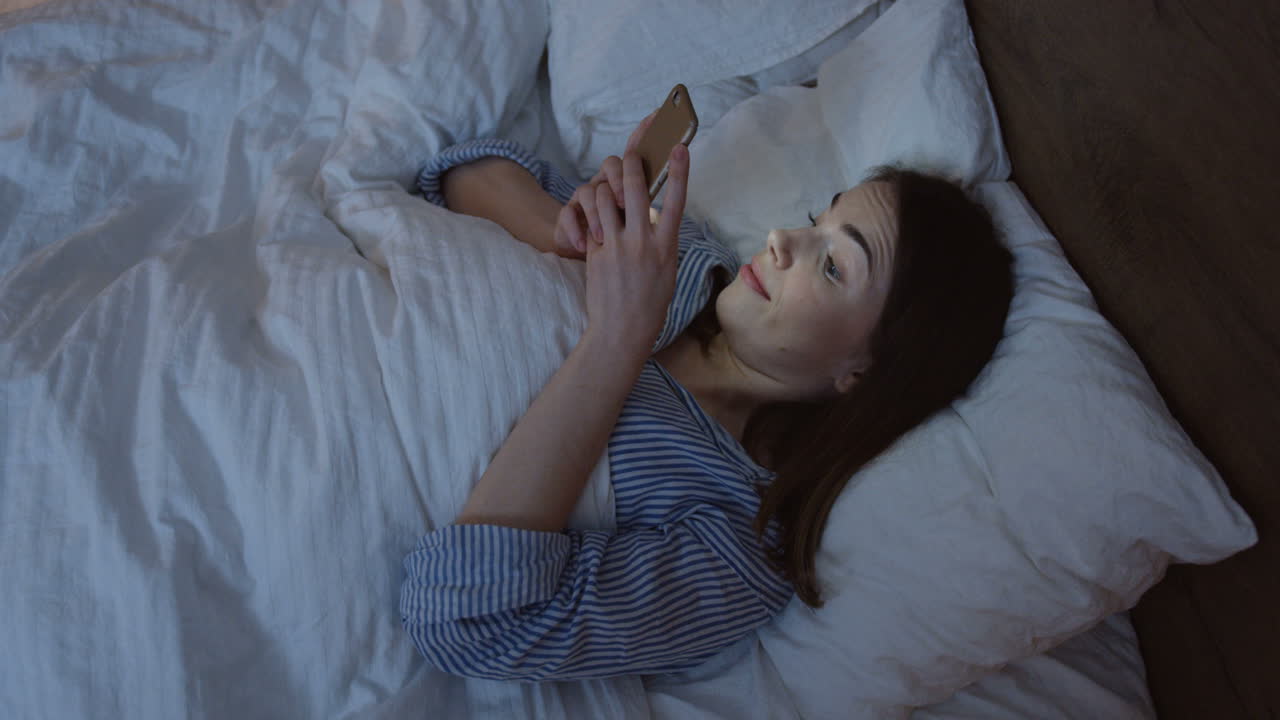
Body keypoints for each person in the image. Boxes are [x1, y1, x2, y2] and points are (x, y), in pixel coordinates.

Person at [399, 113, 1015, 681]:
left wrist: (616, 341)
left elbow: (470, 623)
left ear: (865, 370)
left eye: (832, 266)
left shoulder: (735, 541)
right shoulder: (687, 260)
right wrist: (559, 237)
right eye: (815, 221)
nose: (780, 239)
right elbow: (464, 169)